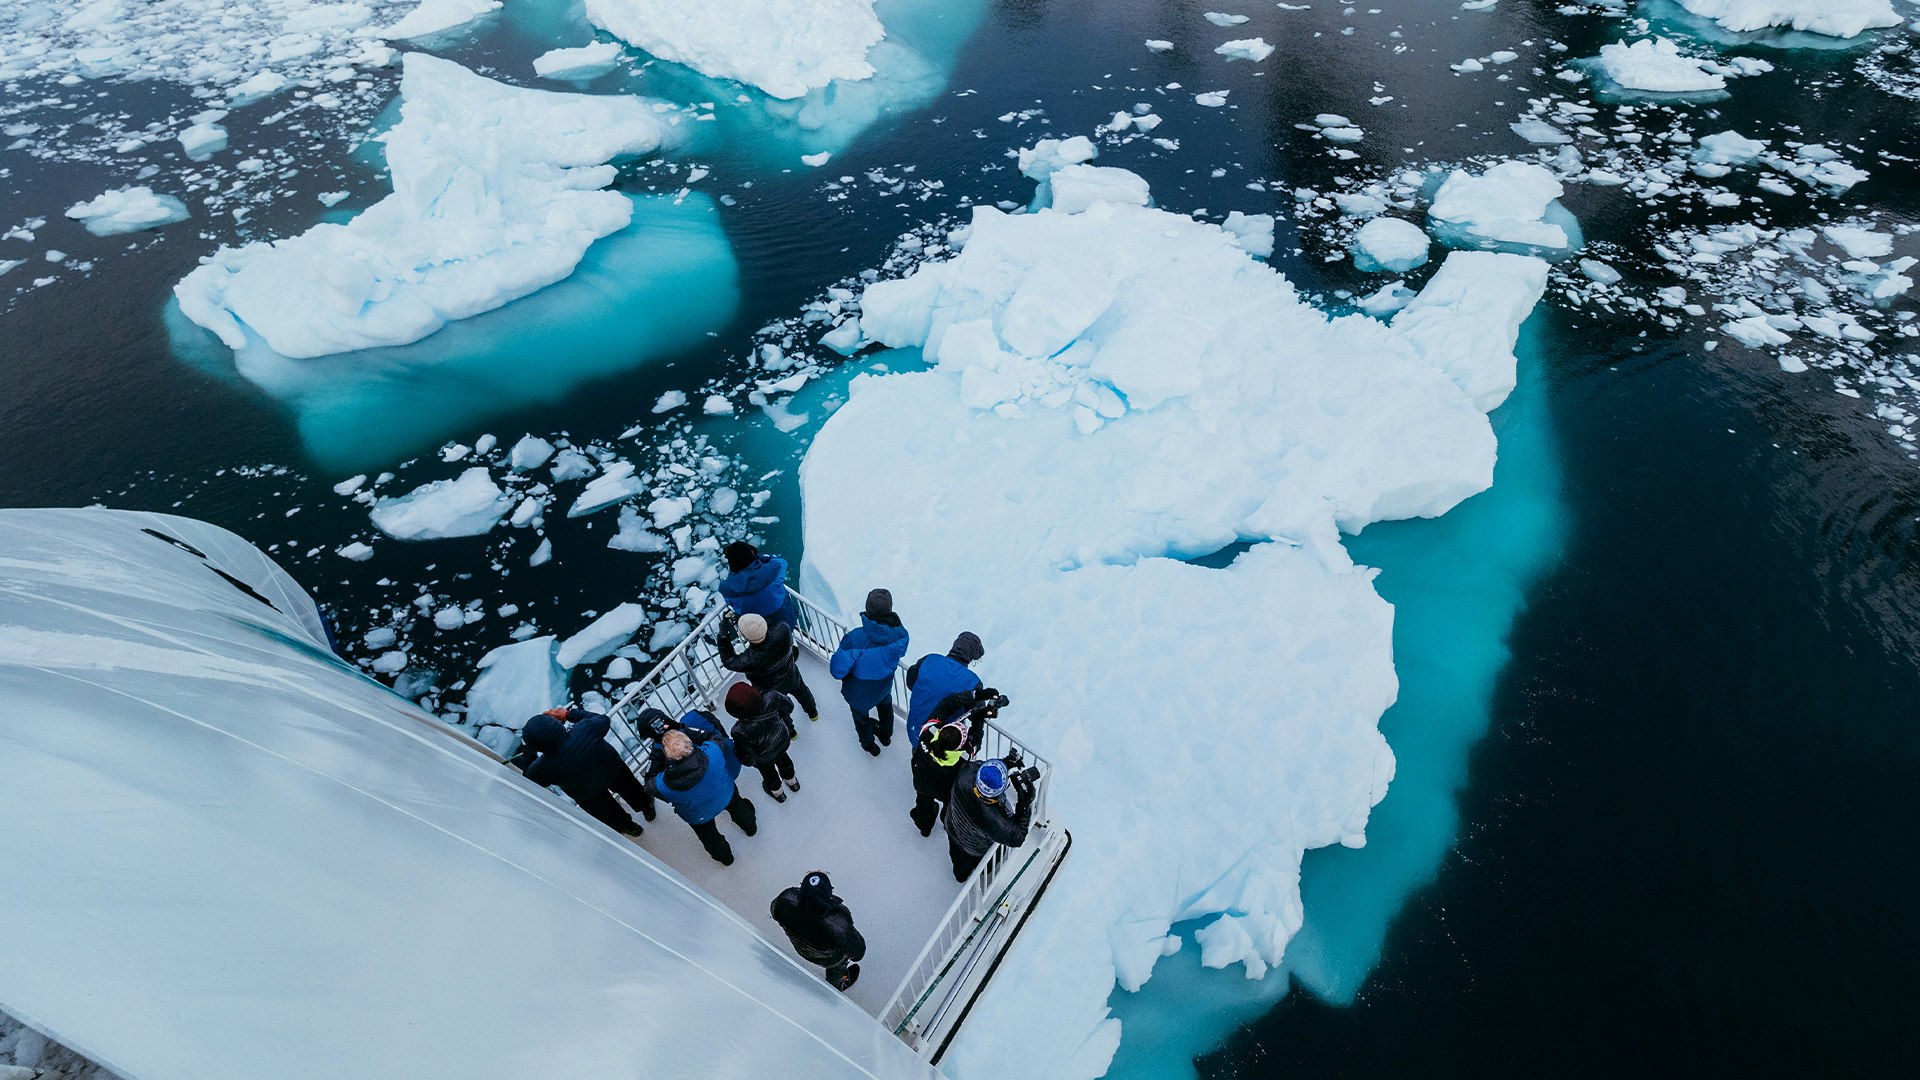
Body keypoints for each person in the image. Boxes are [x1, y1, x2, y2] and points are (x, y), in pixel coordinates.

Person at [517, 705, 656, 837]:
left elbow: (529, 778)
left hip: (587, 793)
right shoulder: (585, 728)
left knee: (608, 812)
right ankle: (647, 809)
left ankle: (631, 828)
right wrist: (567, 714)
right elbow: (603, 720)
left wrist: (528, 748)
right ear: (556, 725)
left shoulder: (543, 767)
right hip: (611, 768)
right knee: (631, 788)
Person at [651, 711, 758, 865]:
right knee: (739, 807)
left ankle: (726, 858)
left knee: (710, 837)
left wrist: (656, 749)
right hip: (725, 794)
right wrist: (682, 728)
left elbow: (649, 783)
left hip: (699, 815)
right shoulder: (713, 752)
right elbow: (714, 736)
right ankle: (750, 827)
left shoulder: (664, 785)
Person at [828, 588, 910, 756]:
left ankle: (869, 746)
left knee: (861, 720)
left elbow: (837, 670)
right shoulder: (901, 634)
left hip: (859, 692)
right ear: (890, 609)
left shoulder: (856, 638)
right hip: (884, 685)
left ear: (868, 608)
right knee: (886, 709)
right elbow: (899, 652)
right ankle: (886, 737)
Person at [909, 686, 995, 837]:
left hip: (921, 780)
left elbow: (946, 704)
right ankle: (946, 822)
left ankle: (924, 827)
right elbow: (977, 736)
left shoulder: (927, 732)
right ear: (961, 745)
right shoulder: (964, 757)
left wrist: (976, 695)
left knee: (923, 805)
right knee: (949, 808)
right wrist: (980, 712)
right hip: (946, 790)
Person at [770, 871, 867, 991]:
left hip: (801, 949)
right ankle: (836, 986)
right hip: (830, 959)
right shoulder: (840, 923)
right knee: (836, 970)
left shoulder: (786, 899)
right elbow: (858, 952)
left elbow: (774, 912)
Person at [719, 611, 820, 721]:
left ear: (745, 637)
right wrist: (749, 622)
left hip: (770, 688)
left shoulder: (750, 659)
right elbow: (767, 624)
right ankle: (813, 713)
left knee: (780, 710)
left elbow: (728, 661)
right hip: (790, 673)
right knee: (802, 691)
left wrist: (723, 635)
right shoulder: (783, 629)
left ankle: (791, 732)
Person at [944, 756, 1033, 882]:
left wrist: (1005, 763)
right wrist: (1024, 805)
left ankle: (960, 877)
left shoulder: (966, 772)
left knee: (959, 862)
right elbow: (1018, 838)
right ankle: (987, 870)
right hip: (974, 847)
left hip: (952, 826)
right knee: (990, 860)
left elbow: (982, 768)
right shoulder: (995, 820)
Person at [723, 681, 801, 802]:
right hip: (781, 741)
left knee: (769, 775)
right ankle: (793, 783)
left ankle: (779, 794)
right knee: (784, 760)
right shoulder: (771, 697)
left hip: (764, 757)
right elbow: (789, 706)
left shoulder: (739, 731)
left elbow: (747, 759)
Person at [906, 631, 985, 738]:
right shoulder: (972, 682)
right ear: (972, 656)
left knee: (918, 748)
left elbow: (910, 681)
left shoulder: (930, 659)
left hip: (914, 727)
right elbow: (977, 715)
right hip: (941, 740)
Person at [719, 541, 798, 626]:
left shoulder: (726, 588)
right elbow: (781, 561)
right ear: (752, 554)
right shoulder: (774, 570)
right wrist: (758, 557)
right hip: (787, 621)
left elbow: (730, 602)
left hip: (757, 630)